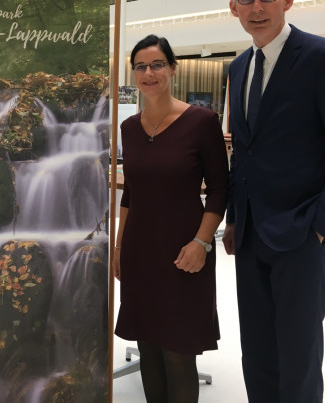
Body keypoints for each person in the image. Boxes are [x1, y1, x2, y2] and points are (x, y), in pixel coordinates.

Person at [223, 0, 325, 403]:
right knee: (256, 353)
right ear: (234, 8)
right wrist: (235, 219)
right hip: (251, 237)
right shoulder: (238, 68)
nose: (258, 6)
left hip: (302, 236)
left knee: (298, 355)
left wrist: (320, 227)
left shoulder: (324, 59)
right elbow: (245, 155)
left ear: (288, 0)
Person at [113, 34, 229, 403]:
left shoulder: (201, 121)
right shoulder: (129, 129)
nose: (149, 73)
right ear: (134, 73)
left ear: (173, 69)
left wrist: (201, 243)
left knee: (178, 353)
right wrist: (118, 246)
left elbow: (220, 190)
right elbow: (130, 192)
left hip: (184, 251)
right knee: (147, 347)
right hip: (139, 252)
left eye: (157, 64)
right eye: (141, 66)